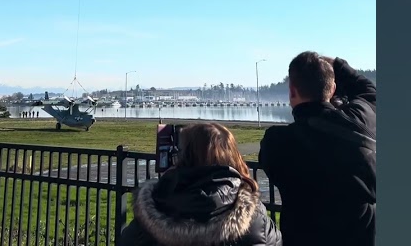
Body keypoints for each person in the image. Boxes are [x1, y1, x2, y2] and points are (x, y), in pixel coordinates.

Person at [258, 52, 376, 246]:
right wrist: (339, 65)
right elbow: (369, 92)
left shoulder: (276, 142)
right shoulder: (360, 121)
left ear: (292, 91)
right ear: (332, 89)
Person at [119, 122, 282, 246]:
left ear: (182, 159)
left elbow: (126, 241)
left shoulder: (155, 212)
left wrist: (167, 183)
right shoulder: (253, 217)